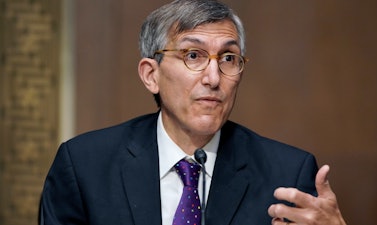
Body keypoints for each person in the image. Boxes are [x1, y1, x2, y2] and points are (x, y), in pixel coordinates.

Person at [39, 0, 347, 224]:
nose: (214, 78)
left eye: (228, 58)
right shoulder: (84, 167)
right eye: (193, 55)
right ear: (151, 75)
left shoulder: (287, 175)